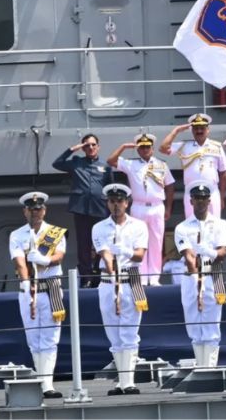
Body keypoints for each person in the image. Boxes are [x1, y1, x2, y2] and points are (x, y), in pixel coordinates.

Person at [9, 192, 67, 399]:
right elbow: (19, 262)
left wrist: (43, 260)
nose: (36, 212)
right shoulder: (16, 235)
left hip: (51, 288)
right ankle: (42, 382)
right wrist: (26, 283)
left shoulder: (55, 232)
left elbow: (59, 257)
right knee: (34, 338)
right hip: (29, 289)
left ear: (45, 210)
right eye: (32, 209)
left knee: (50, 338)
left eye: (39, 209)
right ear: (25, 211)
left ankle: (48, 385)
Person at [91, 184, 149, 395]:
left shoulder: (139, 226)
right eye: (112, 201)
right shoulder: (99, 227)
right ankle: (121, 381)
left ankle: (128, 381)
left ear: (127, 203)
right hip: (108, 282)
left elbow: (140, 255)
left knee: (130, 333)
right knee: (114, 335)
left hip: (131, 280)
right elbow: (105, 254)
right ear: (108, 203)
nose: (116, 205)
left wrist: (124, 251)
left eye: (120, 201)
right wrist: (110, 261)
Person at [173, 182, 226, 367]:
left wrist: (209, 252)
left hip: (213, 273)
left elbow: (222, 253)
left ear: (209, 200)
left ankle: (210, 368)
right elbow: (188, 255)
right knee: (194, 323)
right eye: (197, 198)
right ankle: (201, 366)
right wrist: (196, 276)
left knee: (212, 324)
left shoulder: (220, 224)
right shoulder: (182, 227)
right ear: (191, 201)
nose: (200, 201)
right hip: (192, 275)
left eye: (204, 198)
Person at [107, 133, 174, 286]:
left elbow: (170, 186)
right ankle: (142, 277)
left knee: (157, 242)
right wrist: (124, 147)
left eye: (147, 147)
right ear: (138, 149)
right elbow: (111, 160)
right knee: (138, 242)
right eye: (142, 147)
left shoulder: (162, 164)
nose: (145, 149)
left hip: (157, 206)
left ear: (152, 148)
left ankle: (154, 277)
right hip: (138, 206)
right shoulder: (131, 164)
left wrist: (169, 207)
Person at [52, 134, 111, 288]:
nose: (90, 147)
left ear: (98, 146)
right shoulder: (76, 163)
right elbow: (57, 163)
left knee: (101, 244)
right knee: (83, 245)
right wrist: (73, 149)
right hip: (81, 209)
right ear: (83, 148)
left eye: (93, 144)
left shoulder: (105, 166)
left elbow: (110, 188)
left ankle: (98, 275)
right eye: (87, 145)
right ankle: (86, 277)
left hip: (100, 209)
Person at [161, 113, 226, 219]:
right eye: (196, 128)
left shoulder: (216, 146)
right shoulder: (184, 146)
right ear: (192, 130)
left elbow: (223, 173)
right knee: (191, 223)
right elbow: (163, 148)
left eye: (202, 128)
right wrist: (176, 131)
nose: (199, 131)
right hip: (191, 193)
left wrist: (222, 197)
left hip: (212, 192)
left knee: (213, 224)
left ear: (208, 129)